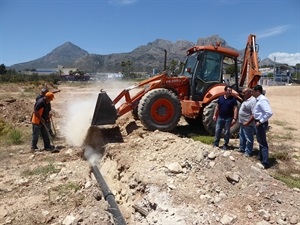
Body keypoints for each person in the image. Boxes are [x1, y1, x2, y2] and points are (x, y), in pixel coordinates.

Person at [252, 85, 273, 169]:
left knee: (263, 142)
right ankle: (261, 158)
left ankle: (265, 162)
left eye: (253, 91)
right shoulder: (258, 99)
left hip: (261, 123)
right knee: (260, 141)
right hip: (258, 122)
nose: (252, 93)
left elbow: (269, 112)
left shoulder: (262, 100)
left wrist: (260, 121)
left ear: (258, 91)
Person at [213, 86, 238, 150]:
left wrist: (234, 118)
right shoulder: (220, 98)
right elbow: (217, 107)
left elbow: (235, 108)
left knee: (227, 132)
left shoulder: (233, 99)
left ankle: (225, 144)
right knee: (217, 130)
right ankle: (216, 143)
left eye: (231, 91)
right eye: (229, 91)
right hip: (220, 117)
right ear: (225, 91)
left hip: (228, 118)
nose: (230, 92)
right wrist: (214, 115)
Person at [238, 88, 256, 157]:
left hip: (247, 123)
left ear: (250, 93)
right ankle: (242, 148)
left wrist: (248, 122)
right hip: (242, 122)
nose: (243, 94)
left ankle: (248, 152)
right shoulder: (246, 100)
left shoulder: (253, 101)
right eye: (242, 93)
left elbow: (253, 114)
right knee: (242, 136)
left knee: (248, 137)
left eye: (244, 93)